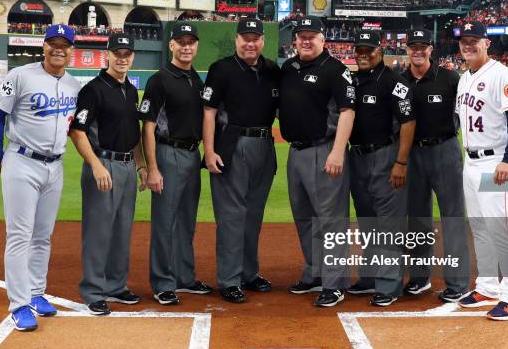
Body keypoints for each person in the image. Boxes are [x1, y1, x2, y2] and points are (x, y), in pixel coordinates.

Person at [0, 24, 81, 331]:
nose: (58, 49)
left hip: (55, 166)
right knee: (19, 236)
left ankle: (37, 292)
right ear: (43, 47)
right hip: (22, 162)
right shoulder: (20, 76)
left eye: (64, 44)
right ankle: (19, 305)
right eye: (52, 43)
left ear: (71, 50)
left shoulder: (74, 85)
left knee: (43, 235)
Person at [278, 16, 355, 307]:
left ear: (323, 39)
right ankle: (314, 272)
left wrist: (337, 151)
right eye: (301, 36)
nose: (306, 41)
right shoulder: (289, 68)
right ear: (295, 40)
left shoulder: (335, 69)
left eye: (312, 36)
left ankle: (334, 282)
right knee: (305, 218)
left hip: (325, 150)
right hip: (295, 152)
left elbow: (347, 111)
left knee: (331, 220)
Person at [202, 18, 279, 304]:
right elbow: (208, 112)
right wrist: (209, 151)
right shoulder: (221, 69)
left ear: (263, 41)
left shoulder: (272, 70)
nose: (250, 42)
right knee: (232, 217)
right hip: (232, 144)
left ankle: (249, 273)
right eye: (245, 38)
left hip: (264, 145)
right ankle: (230, 279)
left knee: (253, 216)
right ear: (236, 40)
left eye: (255, 38)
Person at [69, 33, 146, 315]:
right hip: (103, 165)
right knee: (99, 231)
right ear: (108, 55)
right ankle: (93, 290)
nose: (122, 58)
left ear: (133, 57)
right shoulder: (93, 89)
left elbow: (134, 135)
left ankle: (116, 285)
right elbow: (77, 131)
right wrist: (95, 165)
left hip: (126, 165)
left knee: (122, 230)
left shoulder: (131, 90)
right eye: (117, 53)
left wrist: (141, 165)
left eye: (127, 53)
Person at [454, 21, 508, 320]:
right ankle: (487, 286)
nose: (468, 45)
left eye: (474, 40)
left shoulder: (502, 75)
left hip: (494, 162)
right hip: (470, 161)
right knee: (480, 226)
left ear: (487, 43)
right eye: (464, 41)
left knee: (498, 227)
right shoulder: (463, 78)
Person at [139, 23, 213, 305]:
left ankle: (185, 276)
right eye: (180, 42)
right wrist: (153, 167)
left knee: (186, 221)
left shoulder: (196, 79)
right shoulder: (160, 79)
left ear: (196, 46)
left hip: (192, 155)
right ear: (171, 45)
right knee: (165, 222)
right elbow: (147, 127)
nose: (186, 47)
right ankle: (162, 282)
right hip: (168, 153)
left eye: (191, 42)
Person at [346, 30, 416, 307]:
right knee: (368, 223)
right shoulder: (352, 80)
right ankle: (370, 276)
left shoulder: (394, 82)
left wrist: (400, 162)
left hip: (385, 156)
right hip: (358, 157)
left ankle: (389, 284)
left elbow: (408, 123)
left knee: (388, 223)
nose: (363, 54)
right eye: (359, 50)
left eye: (369, 50)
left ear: (381, 51)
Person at [401, 29, 470, 302]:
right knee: (417, 219)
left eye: (423, 46)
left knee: (452, 216)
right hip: (412, 154)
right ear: (407, 49)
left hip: (444, 150)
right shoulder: (399, 81)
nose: (418, 51)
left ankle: (458, 281)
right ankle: (419, 278)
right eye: (413, 46)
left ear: (431, 49)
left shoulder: (450, 78)